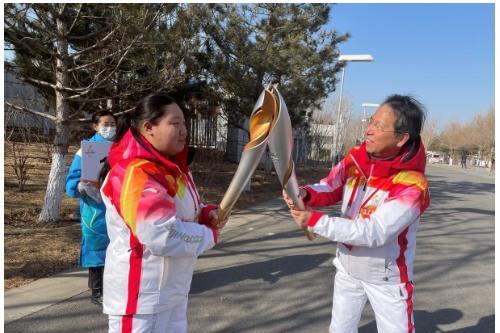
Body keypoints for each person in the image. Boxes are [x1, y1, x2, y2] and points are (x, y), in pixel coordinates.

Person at [284, 95, 430, 333]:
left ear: (402, 138)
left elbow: (374, 232)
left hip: (386, 280)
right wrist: (303, 194)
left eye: (379, 126)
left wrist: (314, 221)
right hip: (347, 269)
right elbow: (330, 186)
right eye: (371, 122)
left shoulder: (412, 185)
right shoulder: (355, 159)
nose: (369, 131)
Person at [99, 93, 227, 333]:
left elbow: (185, 210)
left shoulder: (173, 168)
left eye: (184, 123)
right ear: (149, 128)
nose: (183, 131)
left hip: (173, 291)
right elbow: (162, 234)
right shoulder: (135, 174)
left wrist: (205, 214)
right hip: (142, 300)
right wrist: (210, 234)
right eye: (175, 123)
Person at [65, 110, 117, 306]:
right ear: (94, 126)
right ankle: (97, 291)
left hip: (116, 206)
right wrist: (79, 186)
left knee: (116, 246)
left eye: (113, 124)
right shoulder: (85, 151)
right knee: (97, 247)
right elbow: (70, 181)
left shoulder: (120, 148)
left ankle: (113, 287)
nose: (109, 128)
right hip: (94, 208)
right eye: (105, 124)